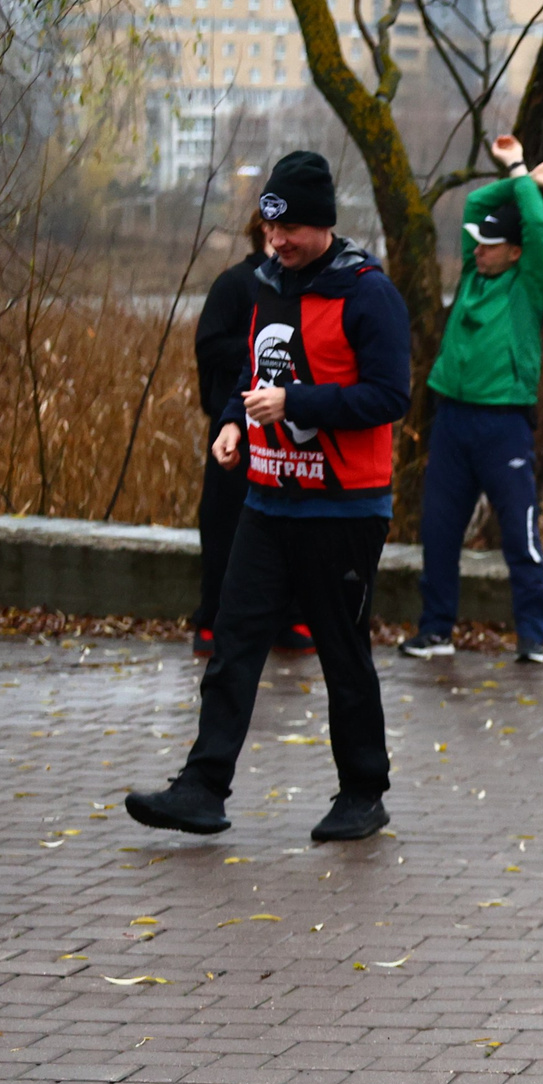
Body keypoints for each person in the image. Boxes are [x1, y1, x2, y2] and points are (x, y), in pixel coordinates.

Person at [126, 150, 411, 844]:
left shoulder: (366, 292)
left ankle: (362, 792)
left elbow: (389, 395)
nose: (277, 242)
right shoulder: (263, 284)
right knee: (233, 642)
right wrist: (230, 423)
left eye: (291, 231)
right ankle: (202, 787)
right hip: (268, 499)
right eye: (270, 228)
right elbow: (249, 374)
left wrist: (295, 402)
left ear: (322, 224)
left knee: (343, 654)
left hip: (344, 507)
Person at [401, 136, 543, 666]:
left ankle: (533, 637)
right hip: (452, 418)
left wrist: (520, 170)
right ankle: (435, 631)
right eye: (478, 244)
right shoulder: (476, 275)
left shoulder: (530, 285)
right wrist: (526, 183)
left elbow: (538, 230)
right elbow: (475, 207)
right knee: (440, 531)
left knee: (519, 534)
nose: (478, 249)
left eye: (491, 245)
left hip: (504, 424)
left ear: (514, 253)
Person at [193, 211, 314, 661]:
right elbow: (208, 345)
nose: (280, 235)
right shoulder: (235, 284)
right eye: (272, 226)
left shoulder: (303, 284)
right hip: (235, 425)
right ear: (262, 231)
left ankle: (290, 617)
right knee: (224, 523)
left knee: (290, 527)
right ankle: (210, 619)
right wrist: (256, 349)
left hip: (289, 429)